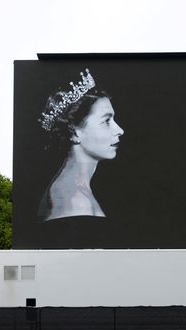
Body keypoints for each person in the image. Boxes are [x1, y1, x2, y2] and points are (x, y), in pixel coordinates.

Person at [38, 68, 124, 222]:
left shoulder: (73, 189)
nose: (120, 130)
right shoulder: (75, 203)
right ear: (74, 132)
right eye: (106, 121)